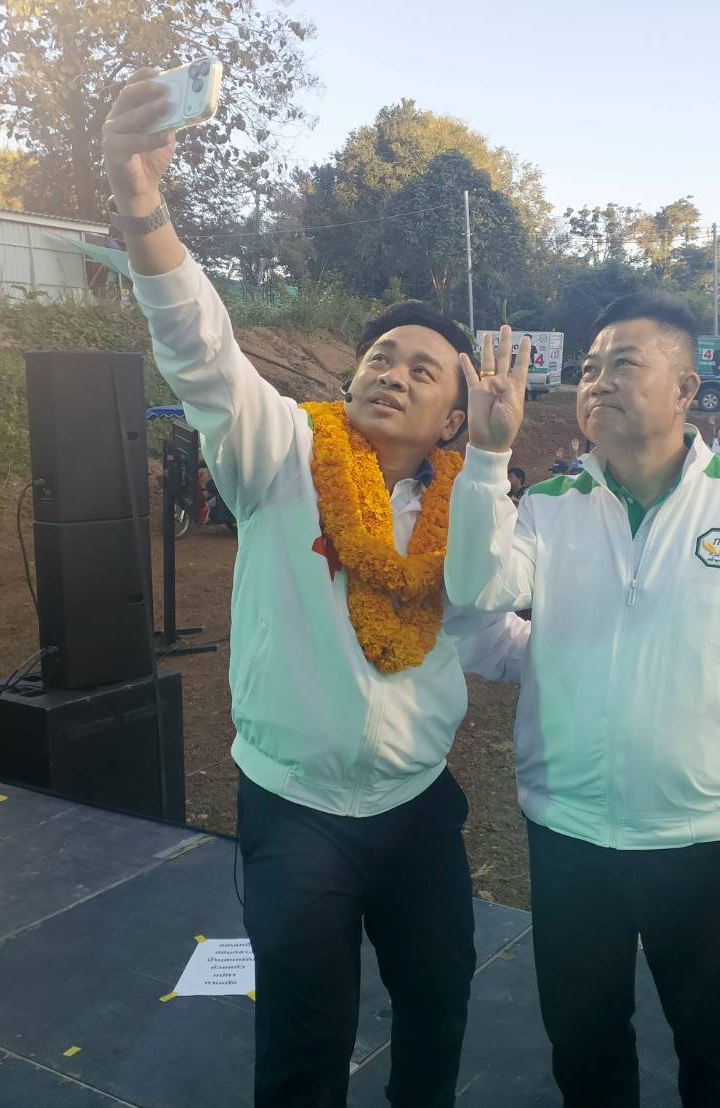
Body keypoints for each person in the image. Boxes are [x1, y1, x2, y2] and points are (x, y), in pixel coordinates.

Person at [102, 73, 529, 1107]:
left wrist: (621, 655)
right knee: (304, 1038)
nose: (392, 372)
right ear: (350, 378)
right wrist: (141, 204)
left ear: (455, 420)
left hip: (416, 807)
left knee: (437, 1004)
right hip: (295, 812)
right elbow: (202, 350)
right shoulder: (282, 454)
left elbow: (485, 629)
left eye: (423, 370)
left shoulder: (464, 505)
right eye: (381, 356)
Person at [447, 293, 720, 1108]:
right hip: (568, 830)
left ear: (687, 389)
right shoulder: (547, 508)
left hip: (699, 837)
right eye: (589, 368)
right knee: (584, 1040)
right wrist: (486, 458)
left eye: (623, 363)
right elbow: (474, 593)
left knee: (711, 1041)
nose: (596, 381)